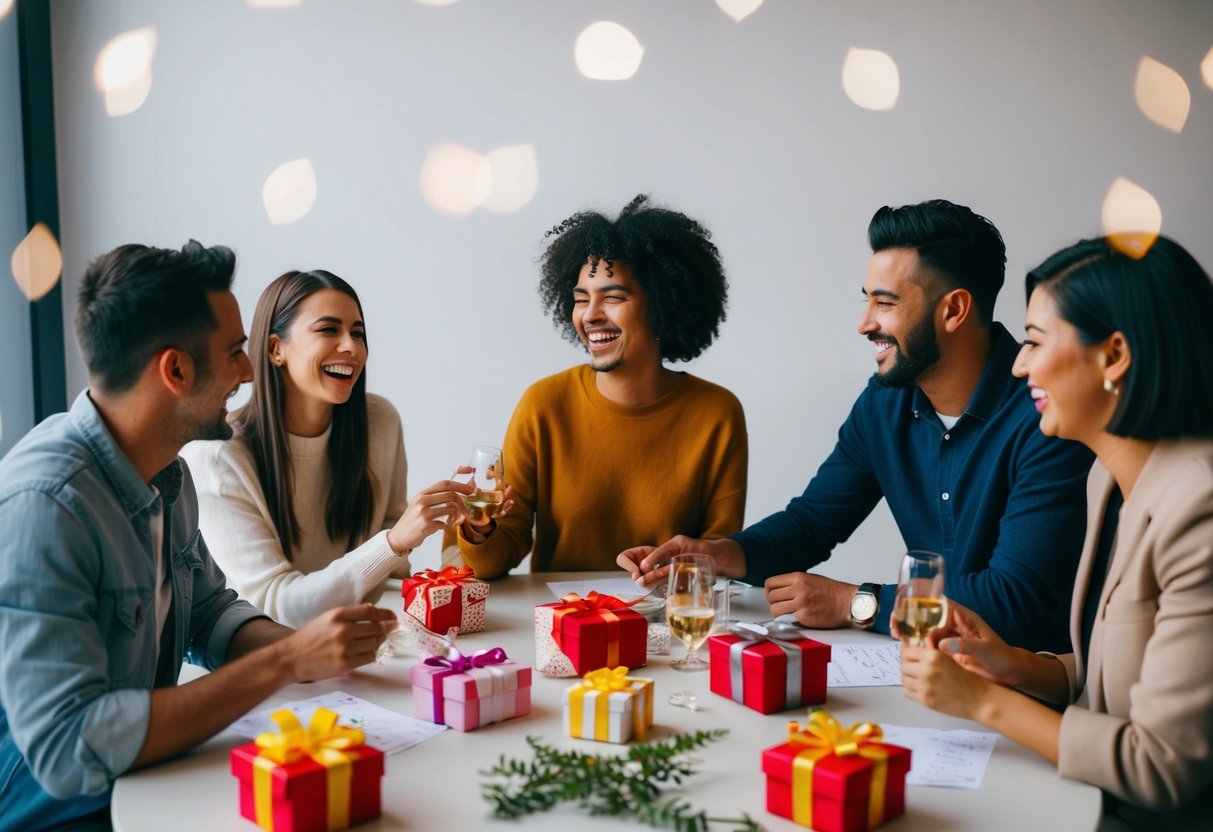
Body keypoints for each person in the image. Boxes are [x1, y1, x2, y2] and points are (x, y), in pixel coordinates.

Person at [0, 242, 395, 830]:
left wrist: (307, 656)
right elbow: (67, 751)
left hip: (157, 780)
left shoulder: (169, 472)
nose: (247, 369)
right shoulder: (46, 506)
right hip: (65, 811)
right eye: (235, 352)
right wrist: (284, 659)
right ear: (176, 370)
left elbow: (209, 614)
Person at [621, 199, 1094, 652]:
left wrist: (857, 603)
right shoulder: (884, 403)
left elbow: (1016, 603)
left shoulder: (1048, 415)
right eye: (867, 301)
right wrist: (720, 554)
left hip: (1028, 689)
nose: (864, 324)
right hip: (929, 672)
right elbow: (812, 522)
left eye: (884, 304)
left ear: (953, 310)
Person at [900, 235, 1213, 829]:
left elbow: (1162, 766)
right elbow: (1110, 678)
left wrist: (983, 702)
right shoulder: (1107, 478)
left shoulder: (1199, 504)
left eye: (1035, 342)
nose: (1018, 364)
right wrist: (1010, 664)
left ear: (1114, 355)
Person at [454, 194, 748, 579]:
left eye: (612, 297)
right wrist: (481, 527)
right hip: (562, 623)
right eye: (581, 300)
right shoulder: (543, 405)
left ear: (661, 305)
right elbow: (492, 560)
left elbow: (719, 559)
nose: (591, 315)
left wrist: (676, 570)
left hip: (668, 622)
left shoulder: (717, 414)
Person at [181, 271, 474, 628]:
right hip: (272, 664)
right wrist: (394, 542)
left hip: (361, 649)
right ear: (276, 349)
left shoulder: (380, 422)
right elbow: (275, 608)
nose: (351, 347)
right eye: (328, 330)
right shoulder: (217, 456)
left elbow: (392, 564)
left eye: (358, 333)